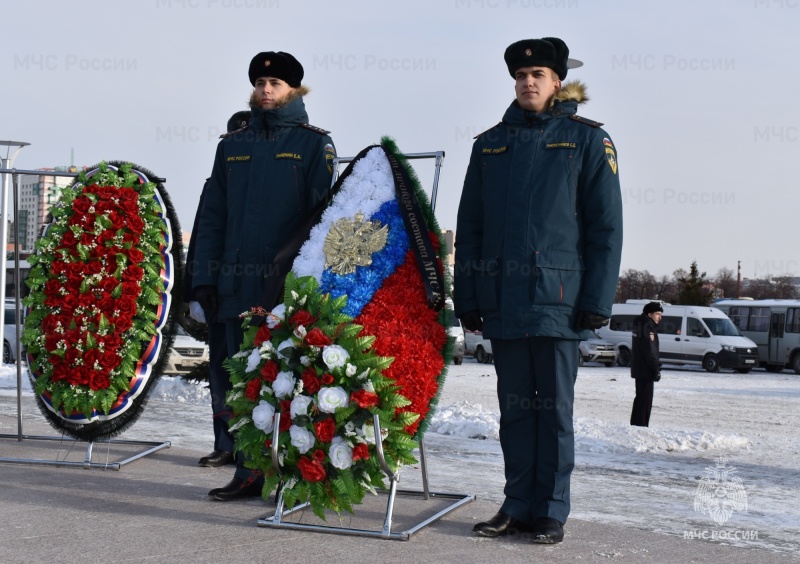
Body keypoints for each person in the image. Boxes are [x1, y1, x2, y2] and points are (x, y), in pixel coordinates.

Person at [453, 37, 623, 544]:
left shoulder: (587, 140)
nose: (529, 82)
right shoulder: (489, 145)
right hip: (503, 302)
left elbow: (605, 229)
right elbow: (472, 227)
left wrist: (596, 300)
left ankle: (550, 509)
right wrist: (469, 298)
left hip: (559, 302)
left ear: (558, 81)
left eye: (539, 75)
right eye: (522, 75)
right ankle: (517, 503)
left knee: (553, 411)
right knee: (516, 412)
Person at [192, 51, 336, 501]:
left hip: (285, 290)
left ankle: (289, 474)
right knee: (240, 384)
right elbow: (212, 215)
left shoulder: (315, 145)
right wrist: (204, 279)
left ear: (294, 89)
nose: (266, 89)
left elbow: (322, 222)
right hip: (235, 286)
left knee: (286, 382)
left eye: (275, 82)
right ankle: (248, 471)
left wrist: (310, 287)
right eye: (260, 82)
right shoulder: (231, 146)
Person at [183, 110, 252, 468]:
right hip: (221, 292)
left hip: (258, 290)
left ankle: (254, 449)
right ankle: (226, 443)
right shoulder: (216, 183)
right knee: (222, 371)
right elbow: (202, 237)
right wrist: (195, 289)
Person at [630, 301, 662, 427]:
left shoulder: (640, 324)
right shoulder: (647, 327)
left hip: (640, 369)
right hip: (646, 370)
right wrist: (656, 370)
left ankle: (635, 425)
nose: (660, 317)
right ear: (650, 314)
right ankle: (641, 427)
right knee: (645, 401)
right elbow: (650, 351)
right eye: (658, 314)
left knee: (640, 399)